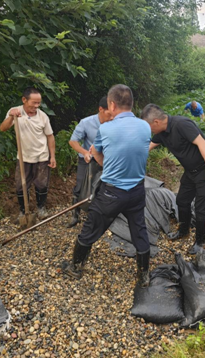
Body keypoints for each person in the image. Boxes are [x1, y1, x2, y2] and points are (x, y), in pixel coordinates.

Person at [61, 85, 152, 288]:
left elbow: (96, 155)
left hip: (112, 192)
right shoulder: (145, 126)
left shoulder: (106, 128)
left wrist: (108, 164)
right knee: (139, 229)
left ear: (111, 104)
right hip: (137, 190)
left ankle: (76, 267)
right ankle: (144, 275)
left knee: (91, 227)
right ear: (131, 103)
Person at [141, 104, 205, 255]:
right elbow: (148, 147)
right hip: (191, 172)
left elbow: (201, 143)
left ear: (156, 122)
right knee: (182, 201)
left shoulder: (182, 124)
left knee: (201, 209)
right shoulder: (162, 133)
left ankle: (200, 241)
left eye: (149, 127)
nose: (150, 131)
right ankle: (184, 231)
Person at [0, 87, 56, 220]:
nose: (36, 106)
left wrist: (52, 156)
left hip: (41, 156)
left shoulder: (43, 116)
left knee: (42, 184)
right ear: (24, 100)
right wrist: (11, 117)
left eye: (39, 103)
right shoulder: (15, 111)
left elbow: (50, 136)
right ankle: (23, 211)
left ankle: (41, 208)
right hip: (23, 157)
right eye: (34, 103)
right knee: (21, 185)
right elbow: (2, 128)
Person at [67, 96, 112, 228]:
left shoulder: (115, 123)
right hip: (88, 160)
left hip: (108, 161)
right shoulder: (86, 122)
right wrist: (84, 152)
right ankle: (75, 215)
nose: (111, 118)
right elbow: (73, 141)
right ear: (101, 109)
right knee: (80, 187)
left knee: (106, 188)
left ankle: (101, 215)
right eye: (109, 114)